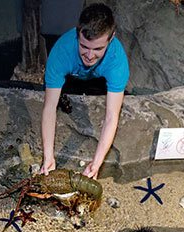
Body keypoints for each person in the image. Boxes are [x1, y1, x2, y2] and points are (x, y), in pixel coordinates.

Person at [40, 3, 129, 180]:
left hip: (98, 80)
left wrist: (96, 164)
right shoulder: (61, 53)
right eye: (84, 46)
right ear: (77, 34)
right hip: (71, 77)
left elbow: (112, 116)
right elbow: (49, 108)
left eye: (97, 49)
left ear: (111, 39)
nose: (89, 55)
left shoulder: (117, 61)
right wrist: (48, 156)